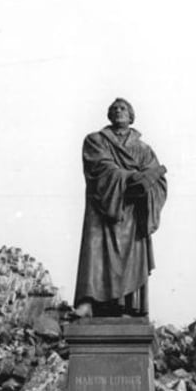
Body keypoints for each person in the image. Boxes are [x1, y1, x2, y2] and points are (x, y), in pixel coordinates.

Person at [74, 98, 167, 317]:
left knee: (131, 257)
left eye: (123, 108)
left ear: (131, 115)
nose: (118, 111)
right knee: (96, 253)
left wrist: (148, 185)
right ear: (109, 114)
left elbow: (158, 181)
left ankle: (127, 305)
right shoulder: (95, 140)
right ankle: (89, 302)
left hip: (132, 213)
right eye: (114, 108)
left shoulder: (144, 149)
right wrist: (132, 177)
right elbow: (100, 167)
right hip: (103, 208)